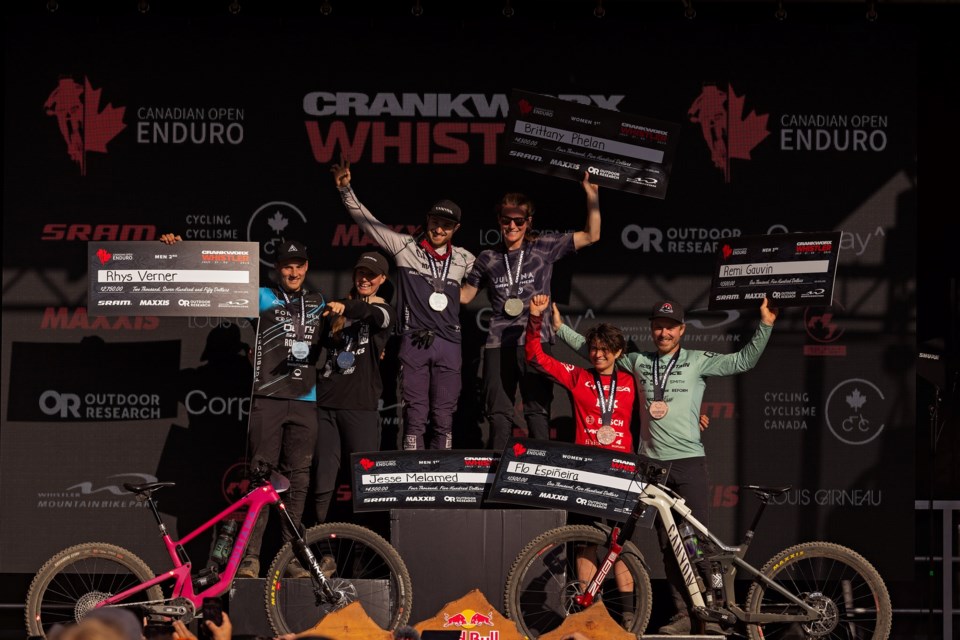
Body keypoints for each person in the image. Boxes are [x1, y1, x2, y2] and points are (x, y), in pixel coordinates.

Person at [553, 297, 778, 635]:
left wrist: (766, 324)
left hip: (688, 464)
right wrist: (559, 330)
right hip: (652, 468)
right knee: (668, 545)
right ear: (651, 329)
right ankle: (687, 614)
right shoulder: (639, 361)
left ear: (682, 330)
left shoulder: (698, 360)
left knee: (697, 545)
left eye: (670, 327)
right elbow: (599, 354)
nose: (663, 332)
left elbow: (744, 360)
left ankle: (714, 614)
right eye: (658, 326)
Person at [159, 234, 351, 579]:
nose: (293, 272)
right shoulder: (261, 297)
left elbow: (337, 338)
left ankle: (292, 559)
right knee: (260, 480)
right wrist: (181, 251)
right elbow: (213, 282)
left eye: (298, 266)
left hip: (305, 402)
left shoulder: (319, 301)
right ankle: (250, 558)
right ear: (276, 270)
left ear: (306, 267)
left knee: (297, 483)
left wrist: (338, 317)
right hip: (268, 400)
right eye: (286, 267)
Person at [331, 157, 475, 450]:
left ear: (455, 228)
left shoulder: (464, 258)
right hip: (414, 340)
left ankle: (441, 480)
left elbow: (494, 272)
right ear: (428, 220)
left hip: (449, 342)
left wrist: (469, 291)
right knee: (415, 414)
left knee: (444, 416)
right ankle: (415, 482)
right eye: (435, 222)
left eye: (446, 225)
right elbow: (368, 224)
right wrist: (347, 191)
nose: (438, 229)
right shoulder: (405, 248)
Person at [460, 173, 600, 450]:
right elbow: (464, 296)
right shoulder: (488, 258)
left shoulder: (543, 247)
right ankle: (498, 468)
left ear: (528, 222)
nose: (512, 225)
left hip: (535, 339)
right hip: (498, 343)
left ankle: (540, 470)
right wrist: (431, 281)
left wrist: (592, 195)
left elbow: (592, 235)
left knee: (537, 409)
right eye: (506, 220)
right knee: (499, 412)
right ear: (499, 220)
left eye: (518, 221)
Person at [526, 293, 638, 626]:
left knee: (621, 546)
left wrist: (697, 418)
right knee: (586, 544)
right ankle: (590, 612)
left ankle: (631, 617)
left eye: (606, 350)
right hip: (586, 471)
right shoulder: (579, 377)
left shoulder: (634, 382)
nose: (598, 355)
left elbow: (668, 404)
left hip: (622, 472)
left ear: (618, 353)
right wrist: (536, 320)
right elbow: (534, 355)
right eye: (594, 349)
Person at [313, 250, 397, 523]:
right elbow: (316, 346)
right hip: (326, 402)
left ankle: (362, 557)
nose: (365, 279)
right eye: (361, 273)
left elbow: (369, 313)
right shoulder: (335, 309)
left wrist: (345, 306)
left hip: (360, 406)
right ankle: (320, 552)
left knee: (365, 484)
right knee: (322, 480)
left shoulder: (384, 310)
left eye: (371, 275)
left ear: (382, 279)